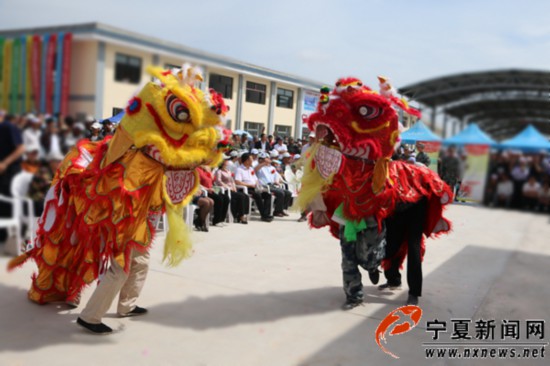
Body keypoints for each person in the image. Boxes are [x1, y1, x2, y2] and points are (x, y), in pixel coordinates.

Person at [0, 112, 25, 245]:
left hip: (10, 170)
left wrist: (5, 163)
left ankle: (14, 235)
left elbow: (20, 148)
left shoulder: (8, 127)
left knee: (9, 203)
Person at [234, 153, 273, 222]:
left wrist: (257, 184)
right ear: (247, 160)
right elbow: (237, 182)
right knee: (258, 196)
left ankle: (266, 213)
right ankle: (264, 215)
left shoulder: (251, 169)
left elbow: (255, 179)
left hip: (254, 187)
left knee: (267, 195)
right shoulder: (239, 169)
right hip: (246, 188)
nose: (252, 160)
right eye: (251, 159)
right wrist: (250, 185)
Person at [27, 150, 64, 216]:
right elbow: (49, 186)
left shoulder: (59, 173)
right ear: (51, 162)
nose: (60, 163)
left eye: (60, 161)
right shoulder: (44, 171)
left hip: (48, 198)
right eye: (57, 161)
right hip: (37, 198)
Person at [214, 159, 250, 224]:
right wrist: (227, 187)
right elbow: (219, 181)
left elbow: (232, 181)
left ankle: (243, 214)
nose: (227, 165)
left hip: (232, 189)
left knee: (245, 196)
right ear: (222, 164)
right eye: (226, 164)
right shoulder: (219, 171)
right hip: (225, 190)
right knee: (241, 196)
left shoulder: (228, 171)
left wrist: (234, 187)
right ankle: (241, 216)